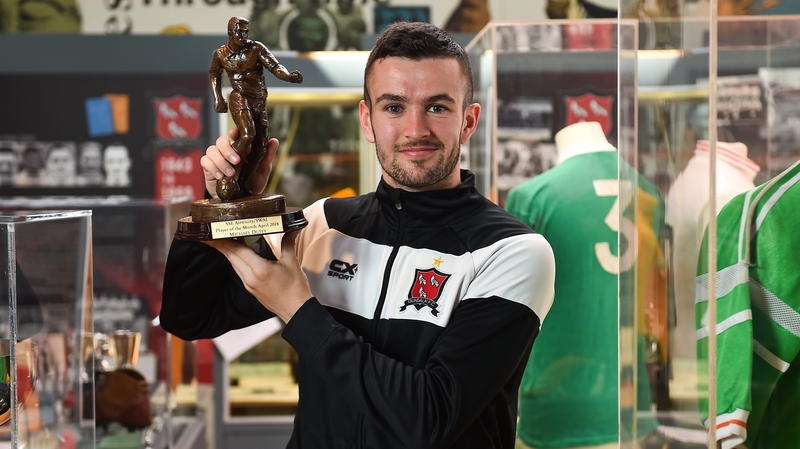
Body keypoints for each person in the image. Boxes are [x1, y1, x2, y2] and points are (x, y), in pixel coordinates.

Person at [160, 21, 555, 448]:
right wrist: (223, 201)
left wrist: (298, 308)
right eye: (394, 107)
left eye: (438, 107)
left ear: (468, 121)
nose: (416, 129)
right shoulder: (322, 224)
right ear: (367, 120)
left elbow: (428, 418)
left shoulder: (513, 252)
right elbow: (189, 317)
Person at [209, 16, 303, 200]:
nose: (243, 35)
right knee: (247, 134)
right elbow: (215, 75)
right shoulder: (220, 54)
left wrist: (288, 77)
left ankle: (242, 182)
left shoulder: (256, 49)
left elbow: (275, 66)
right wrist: (218, 97)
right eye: (239, 31)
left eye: (246, 31)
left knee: (260, 148)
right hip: (239, 96)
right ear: (230, 33)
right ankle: (227, 173)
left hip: (259, 99)